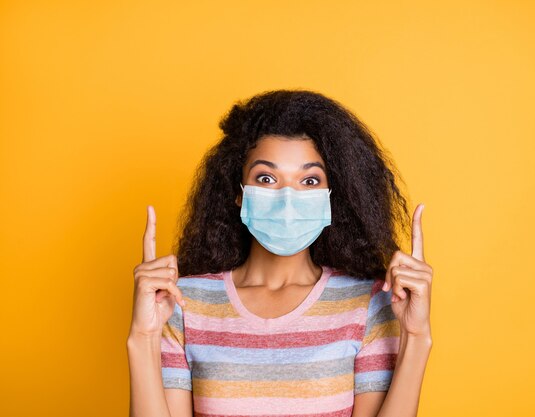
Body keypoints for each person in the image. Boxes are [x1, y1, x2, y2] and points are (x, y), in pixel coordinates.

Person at [127, 89, 434, 417]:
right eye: (267, 177)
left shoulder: (369, 303)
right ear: (238, 194)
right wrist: (143, 337)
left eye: (310, 181)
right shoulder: (184, 302)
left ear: (332, 196)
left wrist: (417, 337)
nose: (288, 197)